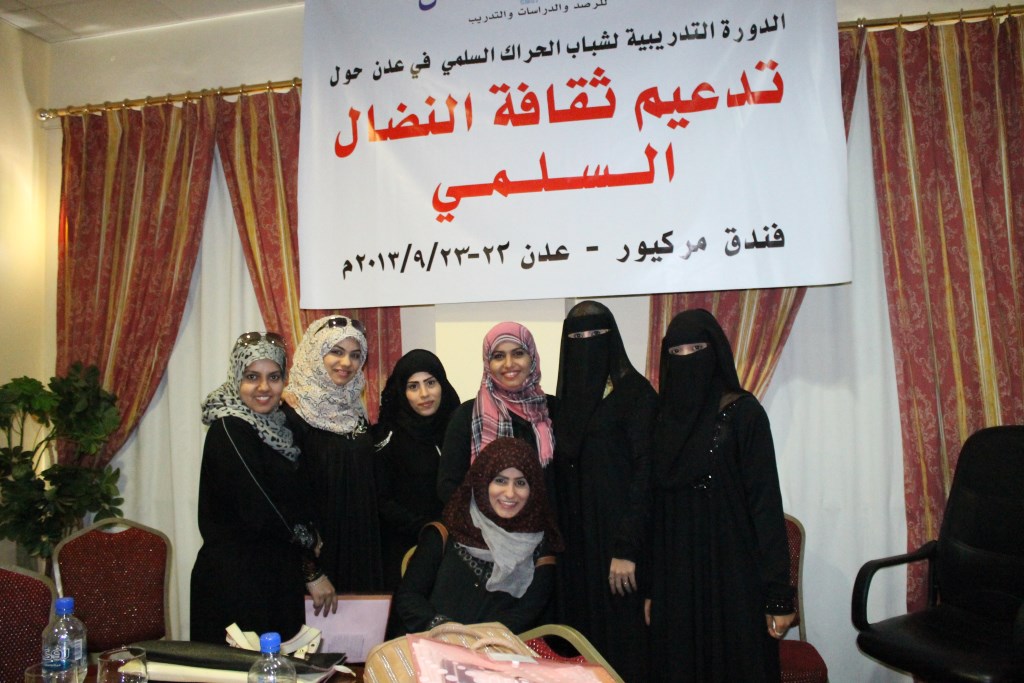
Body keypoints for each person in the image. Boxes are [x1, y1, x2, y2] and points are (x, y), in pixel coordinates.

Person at [645, 309, 795, 682]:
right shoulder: (663, 421)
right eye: (676, 353)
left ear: (715, 351)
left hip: (734, 575)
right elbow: (656, 511)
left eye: (696, 349)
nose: (686, 360)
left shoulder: (744, 414)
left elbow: (765, 506)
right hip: (677, 577)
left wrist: (778, 595)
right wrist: (651, 587)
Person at [190, 331, 337, 644]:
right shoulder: (229, 427)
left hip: (276, 577)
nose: (263, 387)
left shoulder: (281, 427)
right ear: (236, 378)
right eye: (252, 377)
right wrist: (310, 554)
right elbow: (260, 506)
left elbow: (302, 494)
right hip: (237, 584)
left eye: (273, 377)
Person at [553, 300, 657, 682]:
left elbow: (646, 476)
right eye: (578, 336)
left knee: (624, 647)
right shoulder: (563, 403)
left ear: (612, 338)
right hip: (575, 552)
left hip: (618, 551)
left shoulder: (636, 395)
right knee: (579, 647)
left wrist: (627, 548)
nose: (587, 342)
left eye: (596, 334)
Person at [395, 437, 563, 634]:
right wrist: (444, 629)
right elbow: (409, 597)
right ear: (483, 481)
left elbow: (526, 614)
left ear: (533, 489)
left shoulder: (540, 547)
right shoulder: (449, 530)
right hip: (433, 643)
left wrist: (477, 641)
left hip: (498, 648)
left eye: (520, 483)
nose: (510, 493)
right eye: (500, 480)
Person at [283, 315, 383, 591]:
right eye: (336, 352)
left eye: (355, 355)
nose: (346, 363)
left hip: (361, 544)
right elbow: (287, 498)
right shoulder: (291, 414)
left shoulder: (355, 410)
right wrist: (310, 570)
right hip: (318, 551)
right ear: (315, 354)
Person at [437, 321, 556, 504]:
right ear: (487, 363)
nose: (509, 364)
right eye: (498, 356)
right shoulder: (466, 416)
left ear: (532, 357)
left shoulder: (553, 410)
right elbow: (448, 486)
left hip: (546, 521)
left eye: (518, 353)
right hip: (485, 522)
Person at [373, 349, 461, 590]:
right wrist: (428, 529)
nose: (424, 394)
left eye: (430, 383)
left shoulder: (459, 428)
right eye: (413, 386)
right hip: (408, 551)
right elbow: (381, 500)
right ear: (402, 392)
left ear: (442, 384)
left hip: (457, 550)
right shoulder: (387, 438)